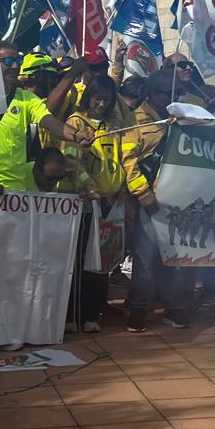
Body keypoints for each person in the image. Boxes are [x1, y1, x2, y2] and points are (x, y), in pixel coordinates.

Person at [0, 43, 90, 198]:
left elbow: (51, 122)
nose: (14, 66)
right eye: (7, 61)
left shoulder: (26, 99)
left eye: (18, 61)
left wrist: (77, 135)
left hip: (16, 195)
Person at [120, 71, 190, 331]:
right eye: (162, 93)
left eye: (173, 94)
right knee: (146, 256)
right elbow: (128, 160)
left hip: (179, 198)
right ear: (150, 93)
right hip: (151, 199)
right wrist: (143, 194)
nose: (168, 98)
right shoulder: (136, 120)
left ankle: (175, 306)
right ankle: (139, 308)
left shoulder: (185, 119)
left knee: (177, 255)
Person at [60, 74, 128, 335]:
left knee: (102, 262)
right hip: (86, 203)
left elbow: (119, 158)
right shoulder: (76, 122)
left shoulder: (114, 124)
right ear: (88, 97)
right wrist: (90, 187)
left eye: (107, 100)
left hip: (110, 202)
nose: (101, 104)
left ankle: (92, 313)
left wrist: (118, 188)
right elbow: (72, 162)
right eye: (98, 98)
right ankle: (71, 314)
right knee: (78, 260)